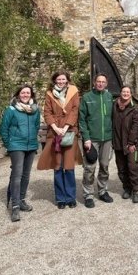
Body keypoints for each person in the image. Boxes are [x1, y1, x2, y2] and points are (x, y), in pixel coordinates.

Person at [37, 70, 82, 209]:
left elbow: (75, 110)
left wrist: (66, 126)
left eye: (63, 79)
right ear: (55, 81)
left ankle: (70, 197)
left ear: (67, 80)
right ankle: (60, 198)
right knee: (57, 166)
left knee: (68, 166)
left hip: (69, 132)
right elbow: (47, 112)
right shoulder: (50, 94)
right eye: (58, 80)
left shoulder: (74, 92)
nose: (61, 82)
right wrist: (56, 128)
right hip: (54, 133)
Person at [0, 85, 40, 222]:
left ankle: (21, 200)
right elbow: (4, 128)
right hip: (16, 145)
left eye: (28, 92)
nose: (25, 95)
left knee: (26, 175)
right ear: (18, 94)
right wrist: (9, 144)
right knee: (17, 175)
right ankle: (15, 206)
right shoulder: (11, 110)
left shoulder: (35, 110)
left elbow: (36, 126)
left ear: (31, 95)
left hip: (31, 145)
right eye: (23, 92)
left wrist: (34, 139)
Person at [79, 73, 114, 208]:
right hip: (91, 139)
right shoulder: (87, 97)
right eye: (98, 81)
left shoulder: (109, 97)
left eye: (103, 82)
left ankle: (103, 191)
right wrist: (86, 138)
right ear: (94, 83)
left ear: (106, 83)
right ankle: (88, 194)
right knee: (89, 167)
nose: (100, 84)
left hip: (107, 138)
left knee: (104, 166)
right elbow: (82, 119)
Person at [112, 85, 138, 203]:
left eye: (127, 92)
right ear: (120, 93)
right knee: (121, 168)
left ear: (131, 94)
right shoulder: (114, 106)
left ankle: (136, 190)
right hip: (118, 142)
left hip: (132, 144)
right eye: (123, 91)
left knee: (133, 167)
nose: (125, 94)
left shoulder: (135, 108)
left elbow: (136, 126)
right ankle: (127, 188)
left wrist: (131, 142)